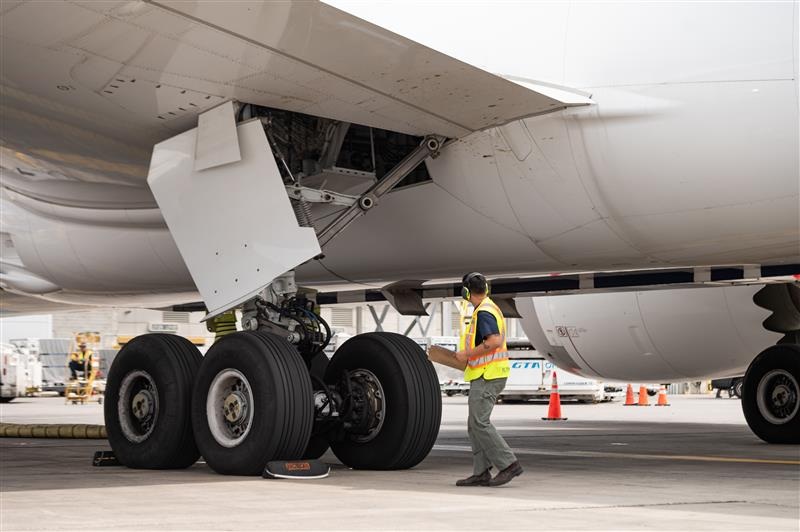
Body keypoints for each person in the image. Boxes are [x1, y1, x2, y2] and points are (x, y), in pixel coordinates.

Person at [454, 272, 522, 487]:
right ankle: (481, 471)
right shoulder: (488, 308)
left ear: (465, 292)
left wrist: (467, 354)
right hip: (486, 373)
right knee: (474, 425)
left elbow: (493, 341)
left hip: (488, 374)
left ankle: (509, 464)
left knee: (479, 423)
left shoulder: (484, 312)